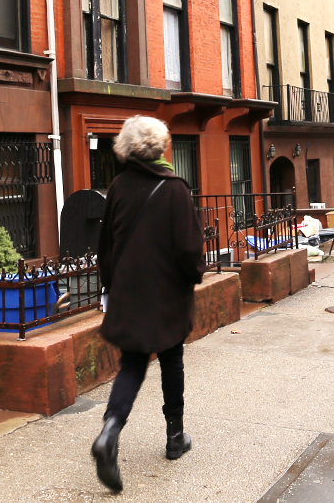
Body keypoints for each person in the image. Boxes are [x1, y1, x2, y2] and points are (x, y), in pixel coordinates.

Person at [90, 115, 204, 493]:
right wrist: (194, 275)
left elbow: (104, 244)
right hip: (167, 293)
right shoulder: (175, 189)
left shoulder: (119, 187)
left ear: (126, 147)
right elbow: (189, 249)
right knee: (171, 359)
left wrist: (111, 285)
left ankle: (110, 430)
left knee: (132, 364)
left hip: (130, 291)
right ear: (161, 146)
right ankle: (175, 437)